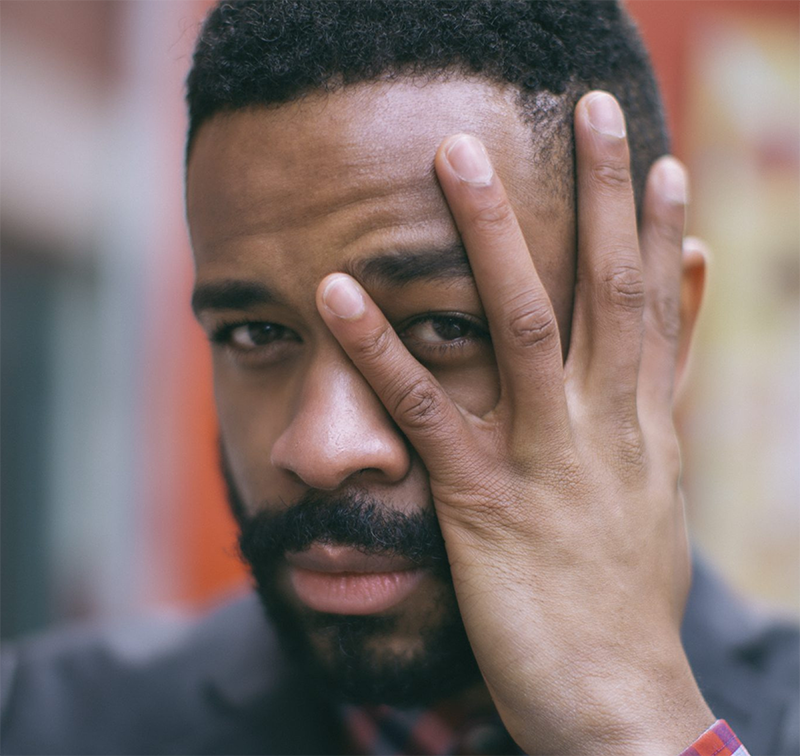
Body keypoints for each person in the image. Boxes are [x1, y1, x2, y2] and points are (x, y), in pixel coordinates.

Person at [1, 1, 799, 754]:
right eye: (256, 333)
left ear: (668, 325)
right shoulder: (41, 724)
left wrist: (635, 725)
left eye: (445, 328)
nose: (320, 447)